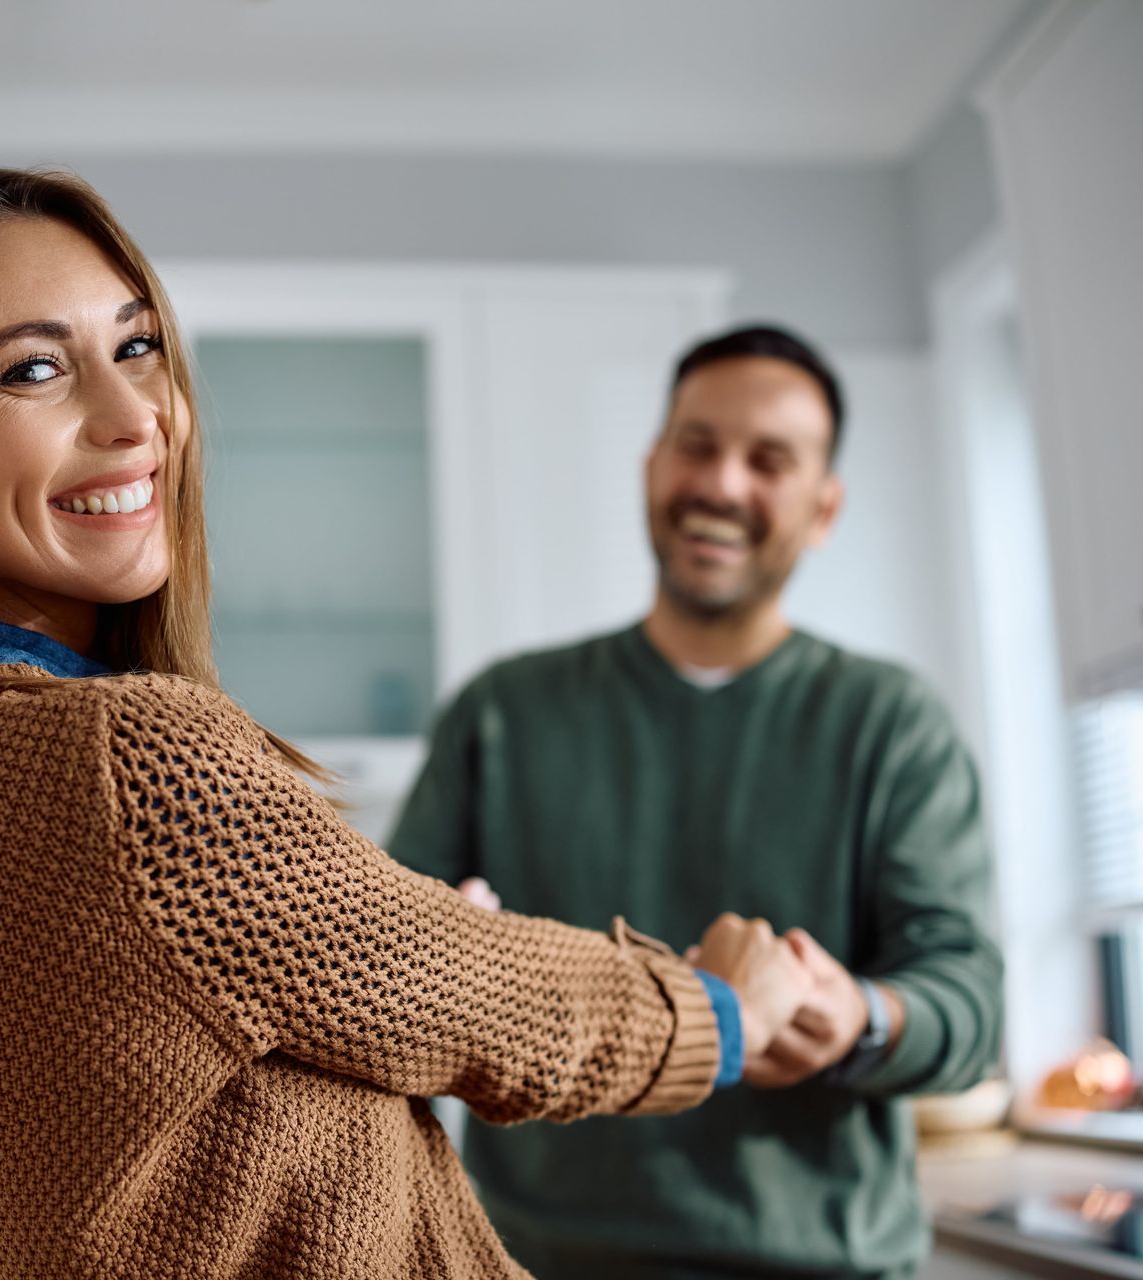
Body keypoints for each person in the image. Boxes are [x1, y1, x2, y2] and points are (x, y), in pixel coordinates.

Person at [0, 169, 817, 1280]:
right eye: (34, 368)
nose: (136, 414)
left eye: (138, 345)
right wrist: (722, 1006)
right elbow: (489, 1004)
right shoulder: (116, 762)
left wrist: (361, 948)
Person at [389, 325, 1004, 1280]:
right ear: (651, 467)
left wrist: (861, 1018)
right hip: (535, 1261)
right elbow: (387, 968)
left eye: (769, 461)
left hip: (822, 1263)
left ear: (823, 507)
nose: (721, 483)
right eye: (698, 445)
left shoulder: (890, 723)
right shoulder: (502, 713)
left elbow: (969, 997)